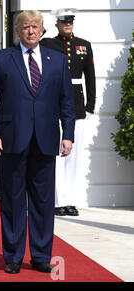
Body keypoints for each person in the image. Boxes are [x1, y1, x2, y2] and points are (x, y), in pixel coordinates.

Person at [0, 10, 75, 274]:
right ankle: (12, 256)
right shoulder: (1, 59)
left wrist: (68, 135)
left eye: (35, 27)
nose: (31, 31)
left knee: (43, 201)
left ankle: (41, 255)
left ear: (43, 30)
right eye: (25, 27)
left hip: (46, 139)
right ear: (17, 30)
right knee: (12, 199)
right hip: (11, 139)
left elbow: (67, 101)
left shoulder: (57, 60)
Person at [40, 8, 96, 217]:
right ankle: (57, 200)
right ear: (57, 24)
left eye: (70, 22)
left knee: (74, 156)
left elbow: (90, 77)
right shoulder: (47, 44)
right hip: (54, 104)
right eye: (64, 22)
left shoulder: (84, 45)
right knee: (56, 154)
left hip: (76, 105)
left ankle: (70, 200)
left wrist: (90, 105)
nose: (67, 25)